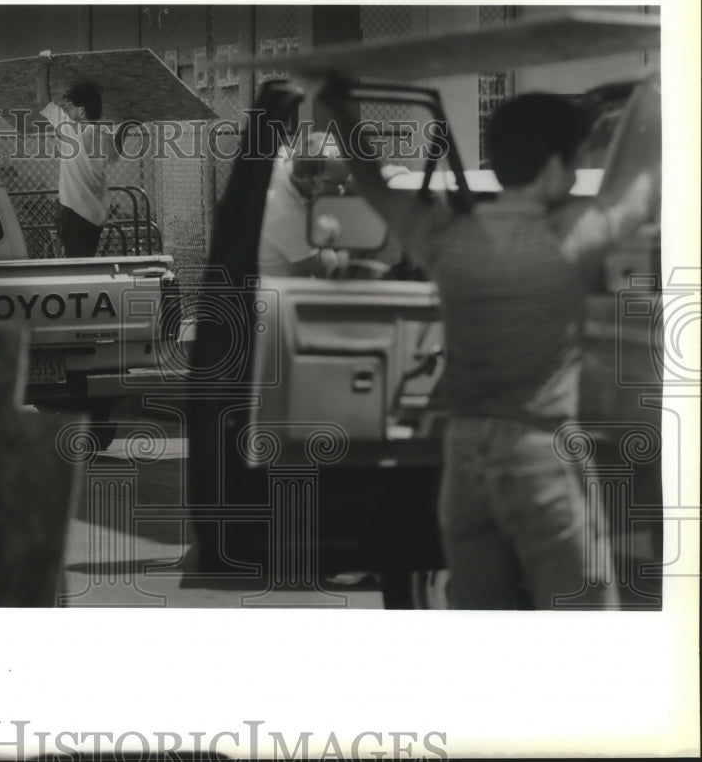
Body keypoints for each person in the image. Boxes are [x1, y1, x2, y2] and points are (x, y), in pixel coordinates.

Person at [321, 84, 659, 609]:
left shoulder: (445, 239)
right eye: (572, 165)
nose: (574, 179)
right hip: (538, 458)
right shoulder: (571, 239)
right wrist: (656, 91)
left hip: (463, 463)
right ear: (551, 168)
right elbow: (639, 185)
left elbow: (378, 184)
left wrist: (337, 108)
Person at [36, 52, 118, 258]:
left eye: (72, 107)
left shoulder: (70, 130)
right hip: (96, 216)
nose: (68, 110)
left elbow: (43, 102)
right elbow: (115, 158)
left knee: (74, 268)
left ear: (81, 111)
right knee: (86, 261)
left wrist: (44, 64)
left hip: (74, 212)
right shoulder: (106, 137)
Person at [258, 132, 351, 277]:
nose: (343, 190)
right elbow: (330, 268)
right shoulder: (285, 216)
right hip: (279, 291)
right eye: (339, 184)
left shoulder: (288, 159)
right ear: (312, 182)